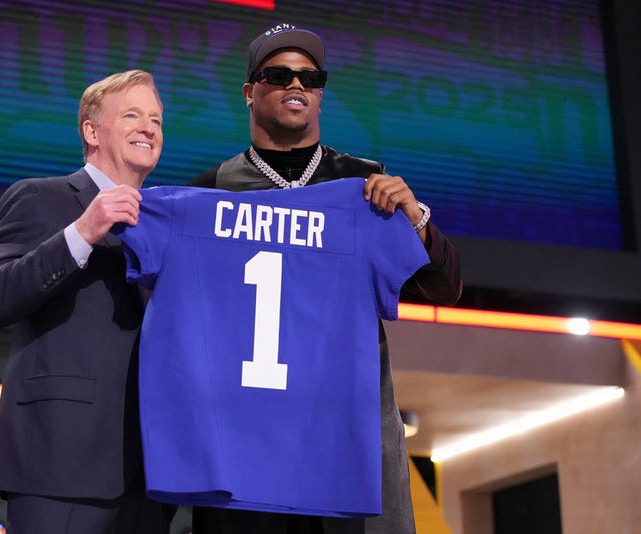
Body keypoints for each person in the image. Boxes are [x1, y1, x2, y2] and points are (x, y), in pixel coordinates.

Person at [188, 23, 462, 534]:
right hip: (246, 442)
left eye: (310, 78)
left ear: (320, 94)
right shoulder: (210, 194)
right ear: (250, 92)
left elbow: (443, 288)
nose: (297, 85)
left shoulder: (366, 186)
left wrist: (416, 220)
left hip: (347, 439)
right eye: (279, 74)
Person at [0, 69, 174, 533]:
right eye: (132, 115)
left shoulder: (165, 222)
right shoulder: (39, 198)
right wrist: (82, 232)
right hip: (58, 464)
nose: (149, 128)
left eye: (157, 121)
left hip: (148, 474)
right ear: (91, 130)